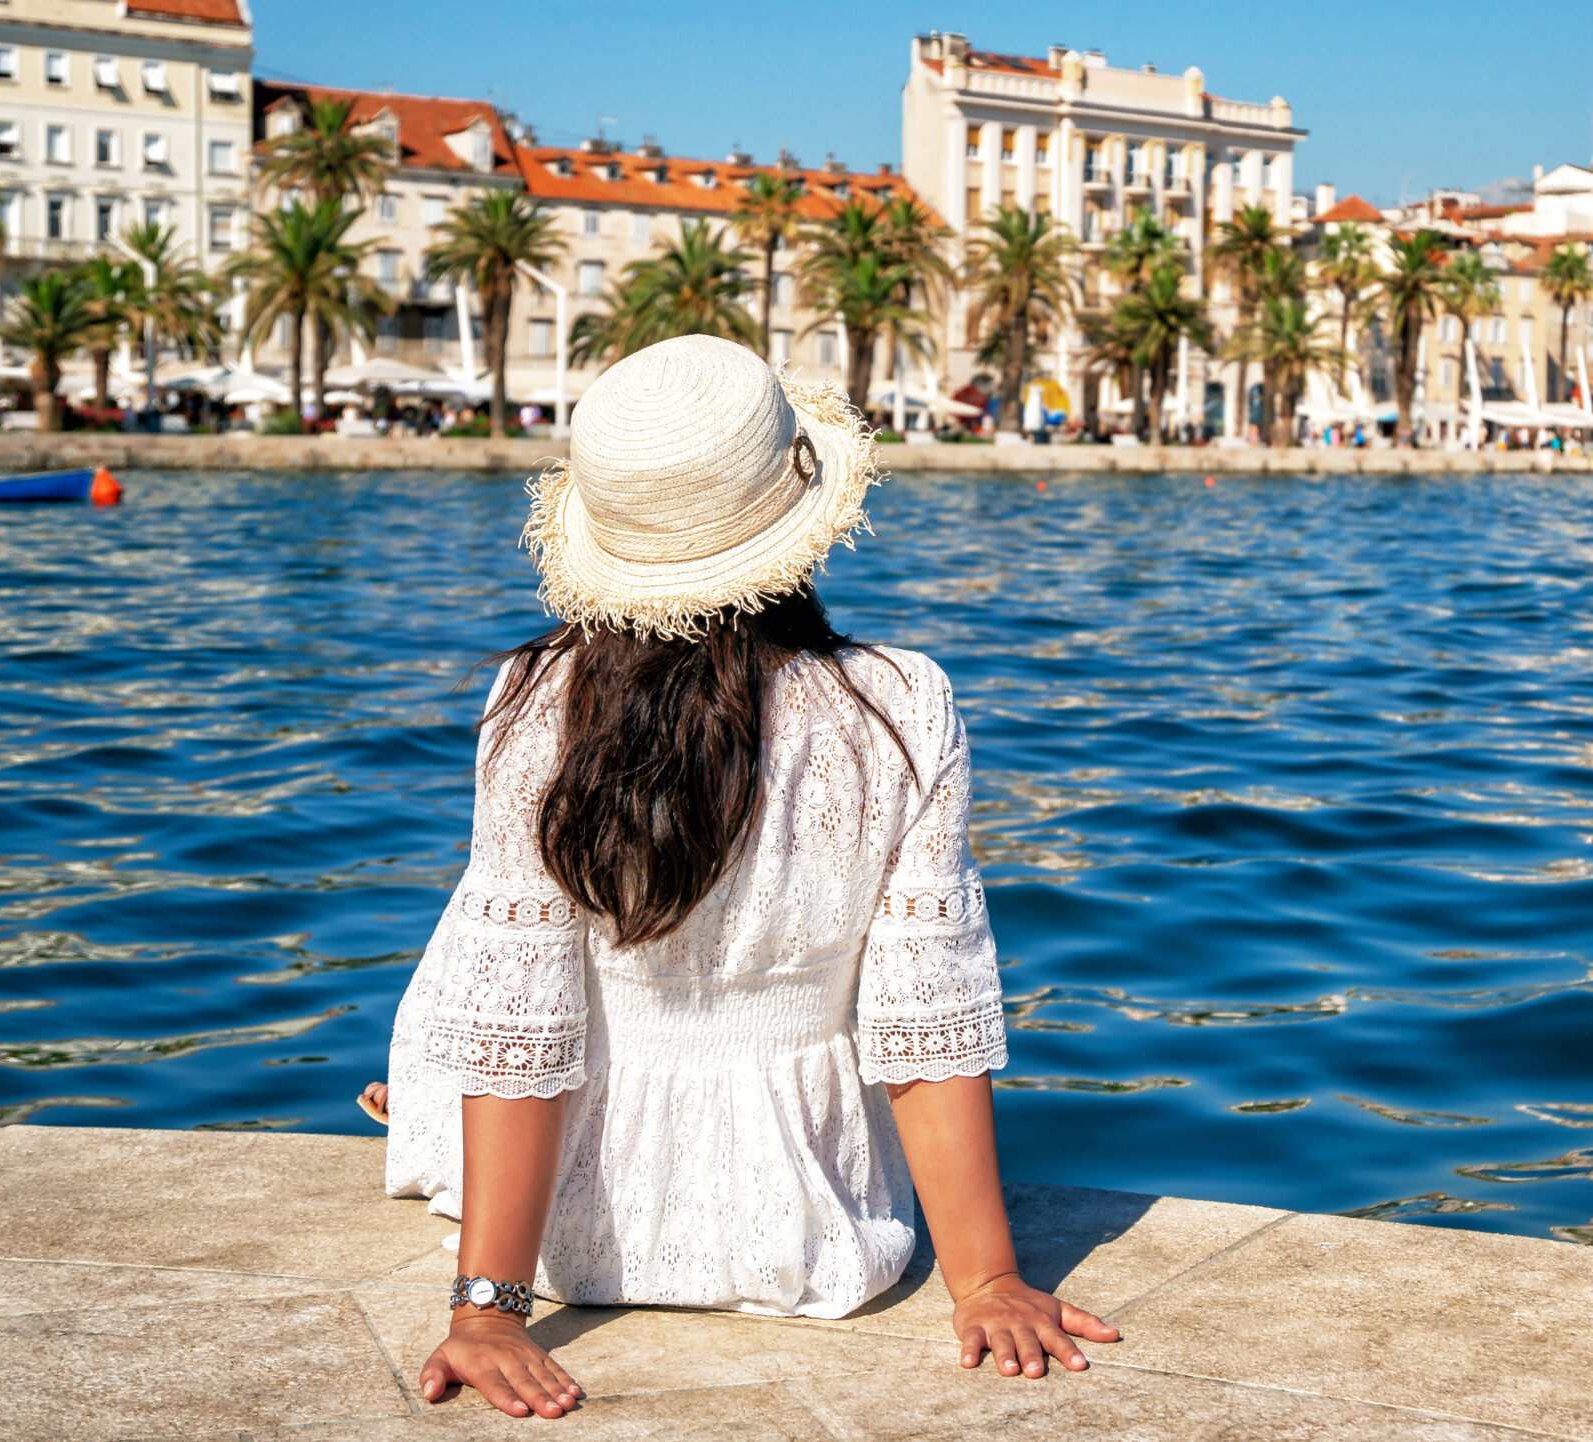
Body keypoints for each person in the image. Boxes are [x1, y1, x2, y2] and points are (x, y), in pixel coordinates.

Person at [356, 336, 1116, 1421]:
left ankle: (426, 1100)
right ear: (798, 522)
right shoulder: (901, 702)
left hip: (574, 1226)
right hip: (812, 1224)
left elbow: (520, 1018)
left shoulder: (532, 698)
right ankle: (425, 1093)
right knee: (510, 935)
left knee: (493, 939)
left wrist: (488, 1309)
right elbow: (925, 1011)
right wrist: (985, 1278)